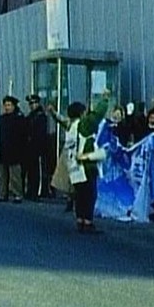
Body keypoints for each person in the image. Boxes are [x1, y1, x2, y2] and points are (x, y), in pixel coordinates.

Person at [67, 89, 111, 233]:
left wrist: (53, 114)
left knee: (80, 194)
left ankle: (80, 219)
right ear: (82, 113)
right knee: (90, 193)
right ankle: (88, 221)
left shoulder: (70, 127)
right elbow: (96, 116)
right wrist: (104, 100)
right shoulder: (83, 125)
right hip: (86, 165)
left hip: (74, 166)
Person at [0, 95, 25, 203]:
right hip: (4, 150)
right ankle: (3, 194)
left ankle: (18, 194)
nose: (7, 107)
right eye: (6, 105)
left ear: (14, 106)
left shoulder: (19, 118)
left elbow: (22, 135)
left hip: (15, 150)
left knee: (15, 175)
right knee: (3, 175)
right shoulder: (2, 119)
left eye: (9, 105)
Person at [24, 94, 48, 201]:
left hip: (38, 148)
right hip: (29, 149)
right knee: (30, 171)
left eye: (34, 103)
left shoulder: (41, 116)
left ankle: (38, 192)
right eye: (30, 103)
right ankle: (30, 190)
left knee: (37, 170)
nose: (32, 105)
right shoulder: (30, 116)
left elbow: (41, 134)